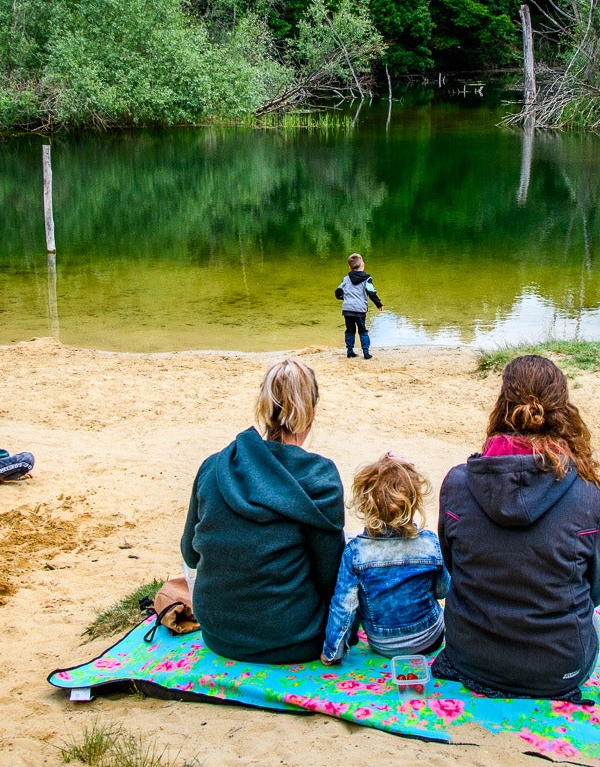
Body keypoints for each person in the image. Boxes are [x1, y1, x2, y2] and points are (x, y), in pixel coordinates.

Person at [435, 354, 600, 701]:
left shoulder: (457, 483)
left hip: (470, 656)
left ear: (501, 406)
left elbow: (454, 565)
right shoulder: (593, 495)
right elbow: (596, 587)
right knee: (590, 617)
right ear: (563, 410)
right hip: (556, 670)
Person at [181, 358, 345, 663]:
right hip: (295, 638)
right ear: (312, 412)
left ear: (263, 407)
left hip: (218, 635)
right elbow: (332, 577)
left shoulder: (214, 467)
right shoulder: (320, 478)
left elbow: (191, 556)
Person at [321, 453, 450, 663]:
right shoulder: (429, 543)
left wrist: (331, 651)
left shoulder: (355, 551)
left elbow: (344, 606)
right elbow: (443, 590)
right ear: (414, 503)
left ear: (367, 504)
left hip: (383, 643)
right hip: (428, 638)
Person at [335, 252, 383, 359]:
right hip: (360, 310)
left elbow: (338, 292)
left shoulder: (345, 279)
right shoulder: (367, 279)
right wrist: (378, 303)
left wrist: (345, 298)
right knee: (363, 330)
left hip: (347, 309)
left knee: (350, 330)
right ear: (363, 265)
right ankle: (366, 352)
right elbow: (371, 292)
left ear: (349, 267)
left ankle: (350, 351)